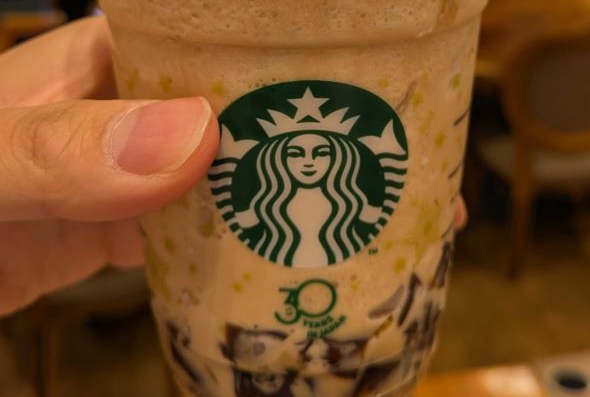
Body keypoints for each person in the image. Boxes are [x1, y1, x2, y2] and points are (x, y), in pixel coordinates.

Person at [0, 18, 467, 317]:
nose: (308, 162)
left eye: (321, 153)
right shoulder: (274, 213)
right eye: (295, 153)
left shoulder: (349, 211)